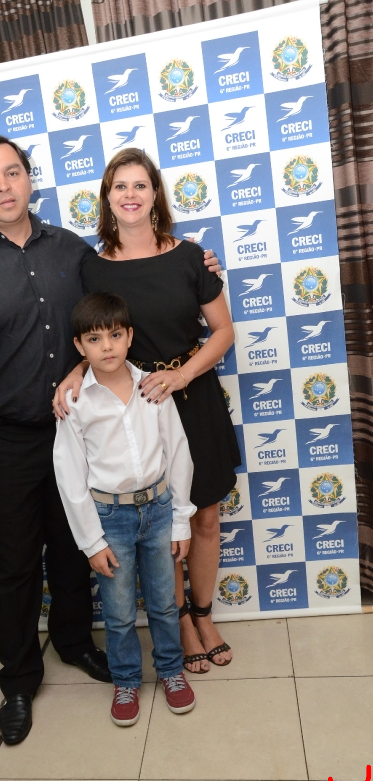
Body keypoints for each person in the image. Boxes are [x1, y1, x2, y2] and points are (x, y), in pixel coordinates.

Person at [0, 135, 220, 745]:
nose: (3, 187)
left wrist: (198, 267)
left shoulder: (72, 251)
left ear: (29, 179)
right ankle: (18, 680)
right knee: (13, 563)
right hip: (3, 438)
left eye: (13, 173)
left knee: (73, 550)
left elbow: (109, 311)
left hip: (80, 432)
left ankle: (76, 643)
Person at [54, 148, 241, 675]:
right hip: (135, 408)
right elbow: (93, 333)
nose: (131, 195)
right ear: (107, 197)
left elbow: (223, 332)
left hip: (192, 396)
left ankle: (203, 615)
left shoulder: (191, 257)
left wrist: (182, 376)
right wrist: (75, 372)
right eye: (120, 186)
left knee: (205, 515)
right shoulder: (91, 267)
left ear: (155, 193)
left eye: (140, 185)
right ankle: (178, 623)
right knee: (159, 525)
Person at [54, 291, 196, 725]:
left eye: (115, 335)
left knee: (164, 603)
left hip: (159, 510)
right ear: (79, 347)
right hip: (109, 519)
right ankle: (127, 679)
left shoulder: (153, 386)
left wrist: (181, 520)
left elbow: (178, 453)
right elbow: (70, 474)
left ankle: (170, 671)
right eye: (94, 339)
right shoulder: (75, 401)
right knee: (118, 613)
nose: (107, 347)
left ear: (130, 336)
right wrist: (91, 542)